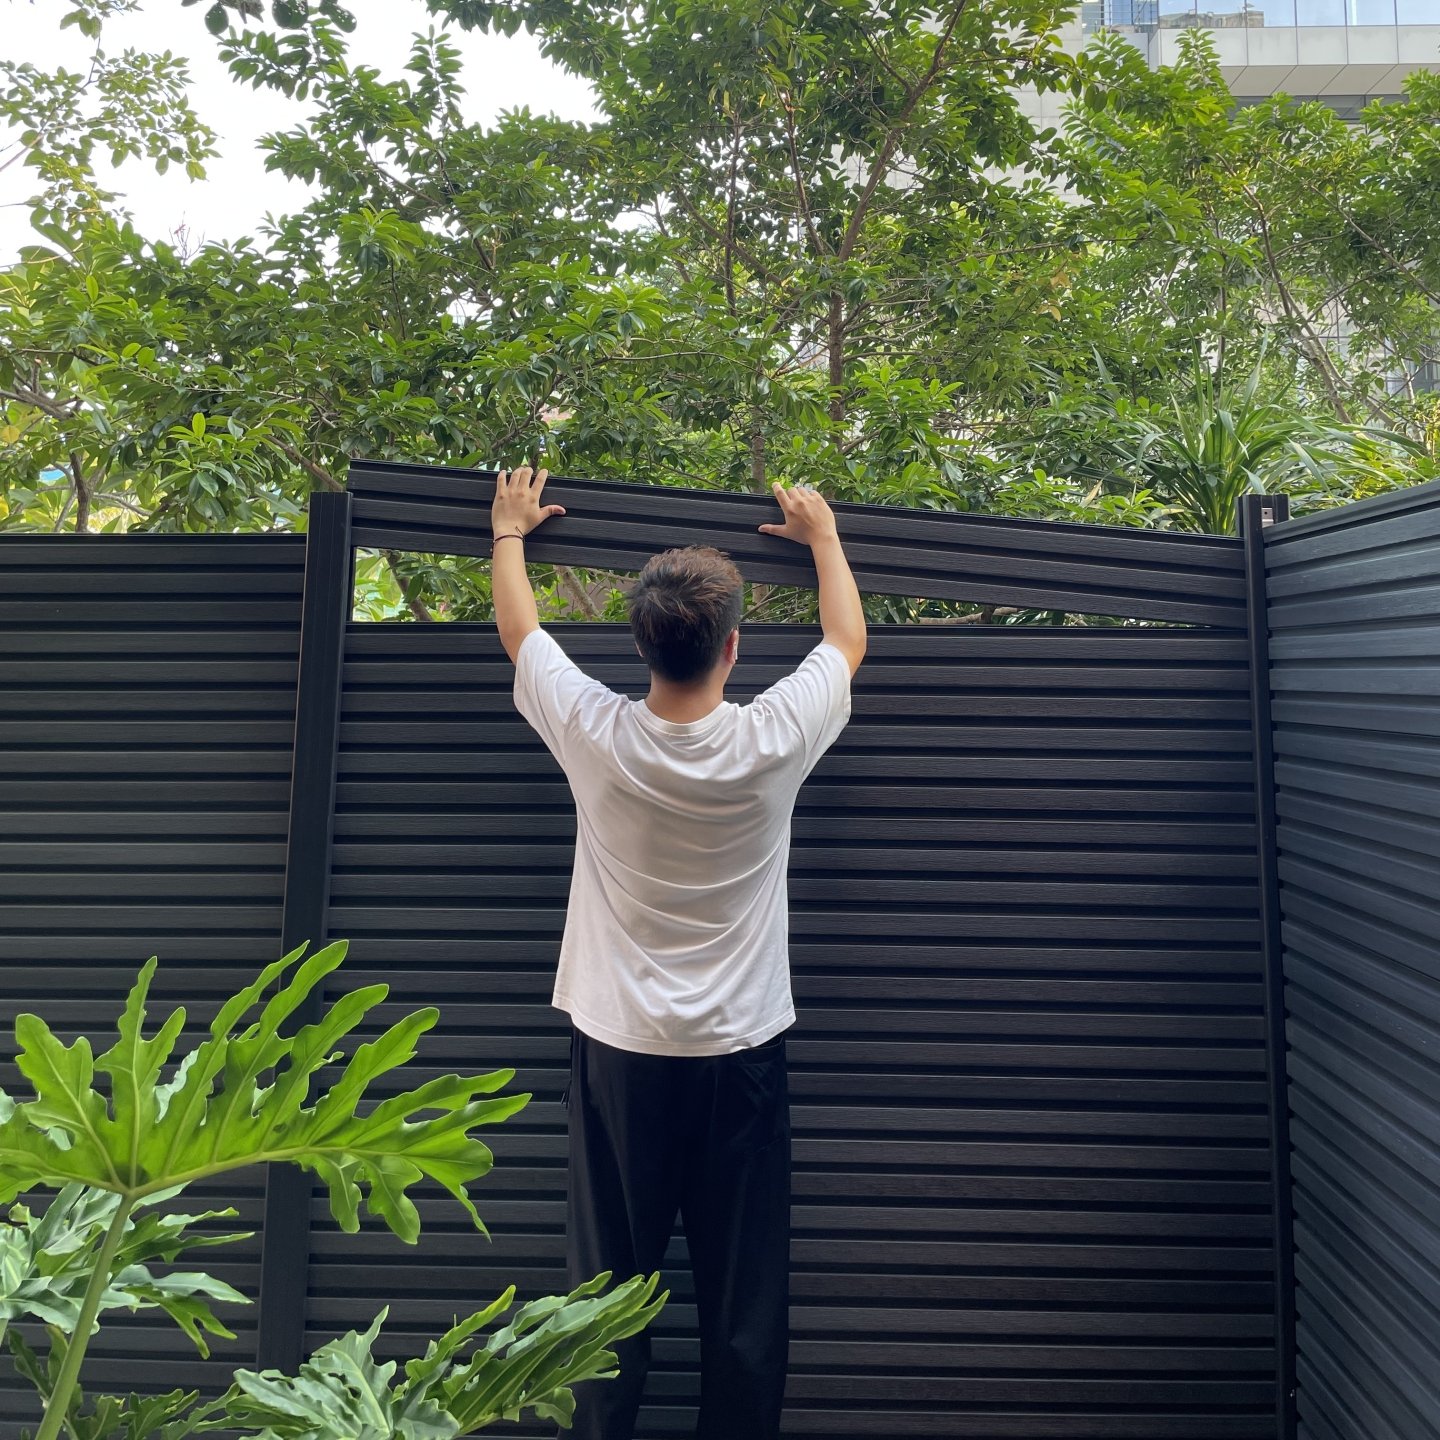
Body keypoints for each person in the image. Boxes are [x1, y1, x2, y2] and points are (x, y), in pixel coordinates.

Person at [489, 464, 866, 1440]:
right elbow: (845, 642)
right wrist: (824, 538)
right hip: (741, 1061)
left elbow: (522, 635)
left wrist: (509, 532)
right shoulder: (773, 739)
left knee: (603, 1302)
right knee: (744, 1310)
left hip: (620, 1059)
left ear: (640, 644)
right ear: (733, 646)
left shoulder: (596, 734)